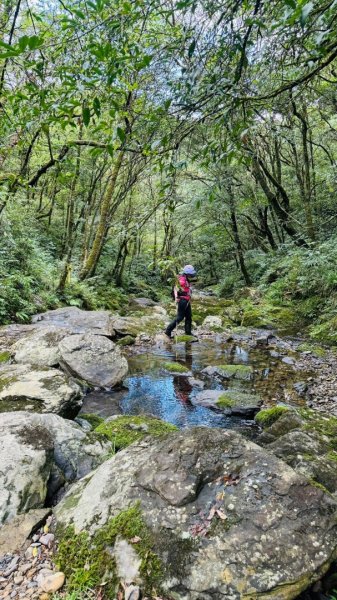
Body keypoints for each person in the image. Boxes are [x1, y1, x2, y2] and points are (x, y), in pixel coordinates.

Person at [165, 265, 197, 339]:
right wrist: (176, 298)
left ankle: (188, 332)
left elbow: (186, 288)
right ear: (187, 273)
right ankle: (168, 331)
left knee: (189, 317)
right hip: (182, 300)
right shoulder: (182, 279)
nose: (191, 275)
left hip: (186, 300)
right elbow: (176, 288)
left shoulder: (186, 278)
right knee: (180, 317)